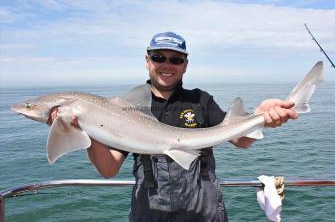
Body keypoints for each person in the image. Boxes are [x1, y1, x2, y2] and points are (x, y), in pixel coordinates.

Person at [49, 32, 298, 222]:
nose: (167, 64)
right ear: (147, 61)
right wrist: (86, 129)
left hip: (204, 211)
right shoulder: (126, 107)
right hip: (150, 212)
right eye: (159, 57)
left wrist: (260, 116)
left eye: (175, 59)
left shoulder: (201, 100)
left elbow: (240, 140)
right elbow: (108, 168)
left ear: (185, 64)